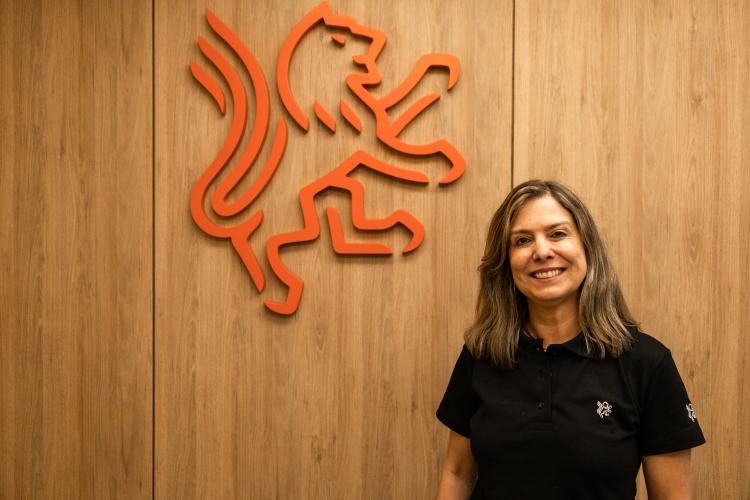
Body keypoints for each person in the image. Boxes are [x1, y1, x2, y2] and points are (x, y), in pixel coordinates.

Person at [435, 180, 705, 500]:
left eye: (558, 234)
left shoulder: (647, 362)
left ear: (587, 246)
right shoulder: (482, 353)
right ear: (506, 262)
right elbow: (458, 472)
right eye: (522, 240)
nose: (541, 251)